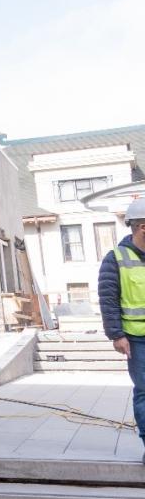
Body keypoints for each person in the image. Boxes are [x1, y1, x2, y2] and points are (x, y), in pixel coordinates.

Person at [98, 197, 145, 463]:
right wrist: (116, 334)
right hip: (137, 340)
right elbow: (108, 298)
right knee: (144, 391)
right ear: (142, 227)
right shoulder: (115, 258)